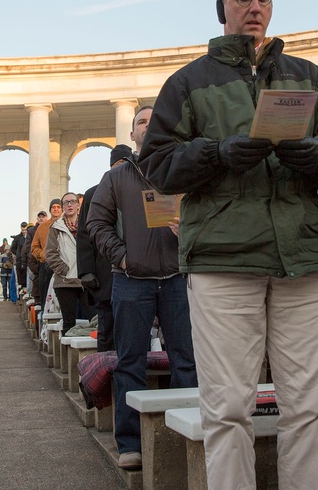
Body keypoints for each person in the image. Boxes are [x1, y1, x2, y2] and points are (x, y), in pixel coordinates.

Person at [140, 0, 318, 490]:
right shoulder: (187, 83)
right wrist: (217, 153)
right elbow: (158, 165)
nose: (255, 6)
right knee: (227, 408)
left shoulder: (310, 77)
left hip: (306, 260)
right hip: (224, 260)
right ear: (222, 7)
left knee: (310, 407)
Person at [89, 106, 196, 471]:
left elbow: (208, 212)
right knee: (130, 362)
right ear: (132, 134)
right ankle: (130, 443)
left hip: (178, 279)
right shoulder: (115, 178)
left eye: (155, 120)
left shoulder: (183, 171)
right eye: (141, 121)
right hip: (131, 281)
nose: (148, 126)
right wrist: (122, 258)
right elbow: (97, 223)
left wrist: (190, 231)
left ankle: (186, 436)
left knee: (186, 361)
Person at [77, 144, 133, 352]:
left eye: (126, 164)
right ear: (111, 167)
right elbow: (84, 235)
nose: (122, 168)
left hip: (134, 269)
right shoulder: (93, 193)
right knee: (107, 328)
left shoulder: (137, 190)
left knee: (135, 328)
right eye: (119, 164)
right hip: (104, 272)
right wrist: (86, 271)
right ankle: (105, 369)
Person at [46, 192, 85, 331]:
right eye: (66, 202)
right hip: (64, 281)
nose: (69, 205)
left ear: (78, 205)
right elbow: (50, 253)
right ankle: (68, 345)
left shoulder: (87, 224)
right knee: (68, 322)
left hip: (85, 279)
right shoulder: (55, 227)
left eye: (73, 201)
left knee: (94, 318)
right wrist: (63, 270)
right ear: (63, 206)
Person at [31, 200, 62, 309]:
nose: (56, 209)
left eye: (58, 207)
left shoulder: (68, 224)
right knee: (46, 297)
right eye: (53, 207)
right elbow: (34, 247)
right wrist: (42, 254)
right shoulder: (42, 227)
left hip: (65, 265)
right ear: (50, 210)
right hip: (46, 265)